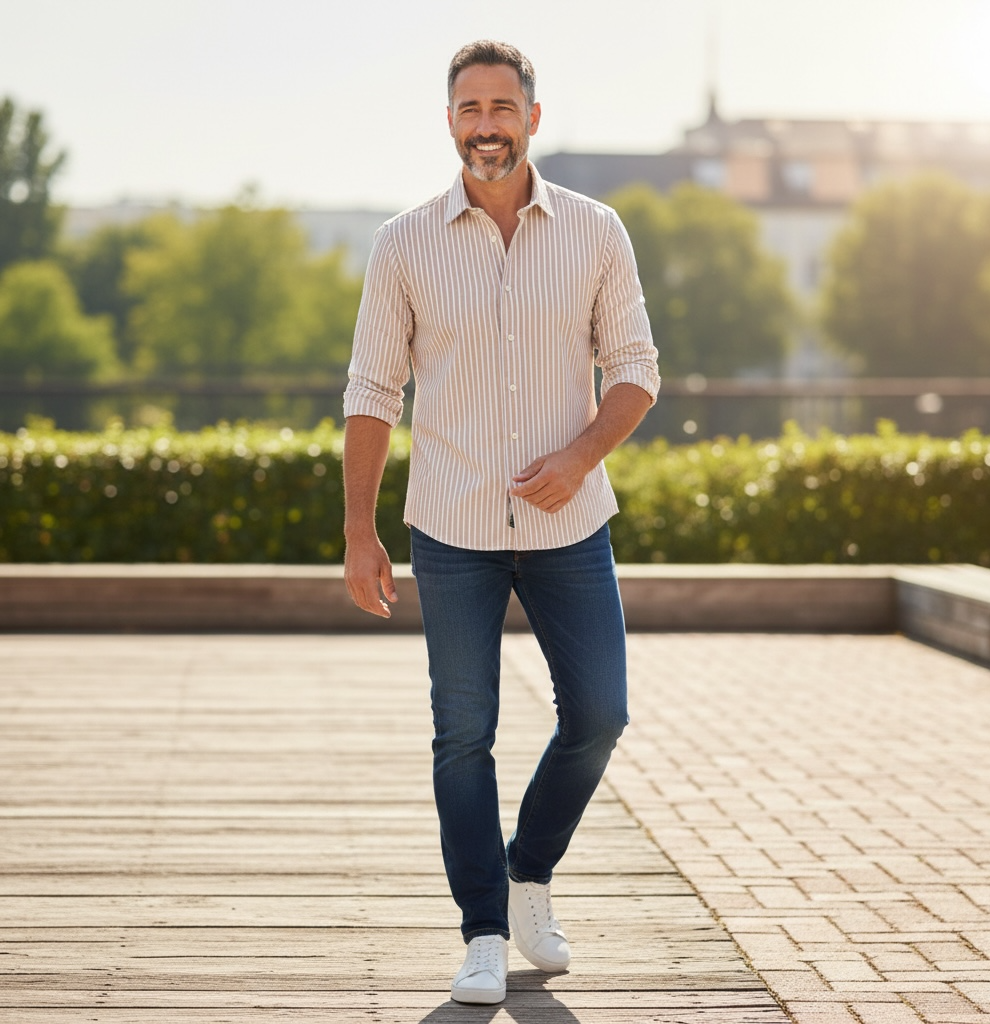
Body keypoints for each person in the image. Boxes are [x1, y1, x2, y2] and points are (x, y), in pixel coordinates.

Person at [342, 39, 660, 1006]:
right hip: (453, 526)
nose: (487, 124)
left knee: (601, 714)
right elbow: (371, 389)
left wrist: (577, 459)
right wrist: (361, 531)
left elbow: (637, 368)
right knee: (462, 733)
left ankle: (528, 873)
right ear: (450, 123)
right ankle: (483, 930)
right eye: (470, 108)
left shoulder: (596, 231)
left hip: (571, 529)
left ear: (532, 116)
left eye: (502, 107)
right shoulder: (404, 243)